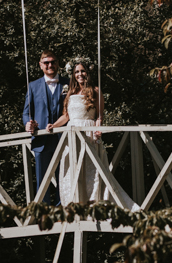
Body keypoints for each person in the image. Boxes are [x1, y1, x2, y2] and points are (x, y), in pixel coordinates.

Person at [48, 58, 138, 209]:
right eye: (77, 72)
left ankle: (94, 204)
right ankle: (74, 204)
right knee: (71, 168)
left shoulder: (95, 91)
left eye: (82, 71)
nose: (80, 74)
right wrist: (53, 125)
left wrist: (98, 130)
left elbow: (99, 116)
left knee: (91, 169)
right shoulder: (69, 92)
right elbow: (66, 116)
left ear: (88, 72)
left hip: (88, 133)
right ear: (73, 74)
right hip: (72, 135)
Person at [23, 49, 69, 204]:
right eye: (46, 62)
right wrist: (28, 124)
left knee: (64, 178)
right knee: (42, 180)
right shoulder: (33, 86)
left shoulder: (68, 84)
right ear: (40, 65)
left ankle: (62, 212)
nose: (50, 65)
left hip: (64, 140)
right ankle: (44, 214)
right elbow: (26, 113)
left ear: (58, 63)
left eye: (53, 62)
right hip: (41, 141)